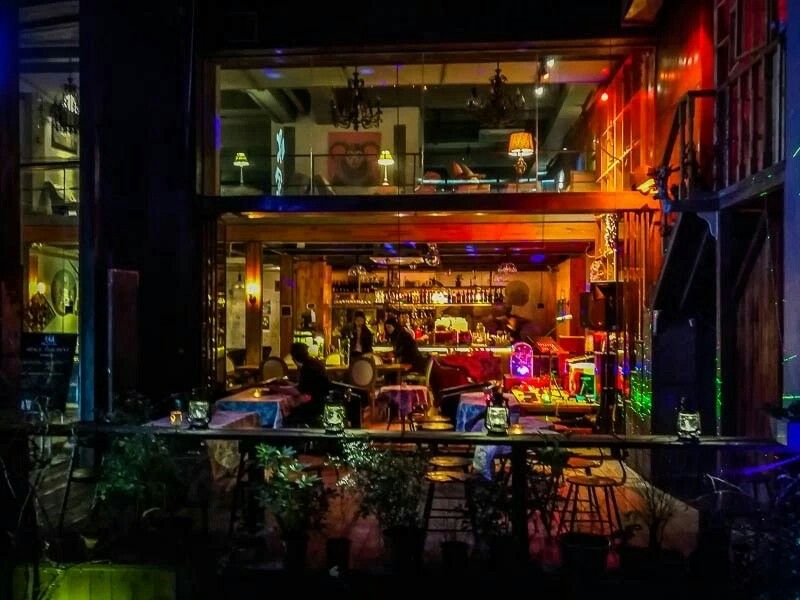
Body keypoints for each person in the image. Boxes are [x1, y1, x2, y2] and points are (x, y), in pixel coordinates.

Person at [284, 342, 330, 427]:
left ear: (294, 357)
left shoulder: (307, 368)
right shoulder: (314, 363)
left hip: (312, 406)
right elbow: (305, 386)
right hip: (320, 402)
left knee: (286, 414)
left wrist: (278, 388)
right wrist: (288, 384)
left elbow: (299, 391)